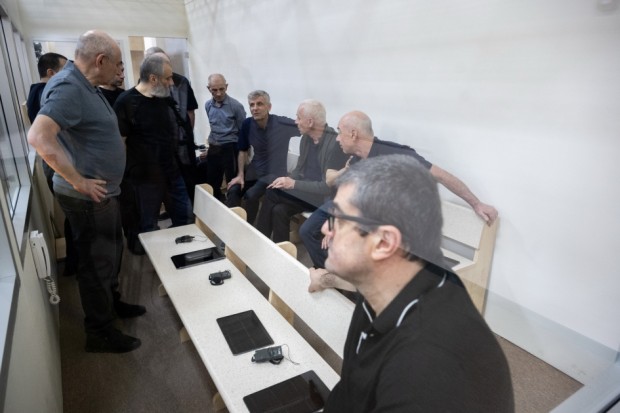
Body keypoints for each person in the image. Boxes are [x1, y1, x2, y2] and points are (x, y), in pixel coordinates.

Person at [321, 154, 514, 412]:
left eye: (338, 219)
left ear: (384, 242)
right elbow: (351, 389)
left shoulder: (427, 370)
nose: (325, 229)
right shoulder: (383, 286)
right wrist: (325, 278)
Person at [27, 30, 144, 353]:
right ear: (100, 60)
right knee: (96, 265)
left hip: (104, 194)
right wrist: (78, 180)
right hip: (87, 197)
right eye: (117, 64)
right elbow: (38, 137)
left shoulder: (86, 85)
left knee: (111, 254)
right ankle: (99, 331)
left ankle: (112, 304)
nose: (119, 71)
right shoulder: (68, 87)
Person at [305, 110, 499, 281]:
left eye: (340, 132)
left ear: (354, 134)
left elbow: (440, 175)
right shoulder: (356, 160)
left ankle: (343, 283)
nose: (337, 138)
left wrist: (476, 204)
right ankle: (336, 279)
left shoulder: (395, 154)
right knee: (311, 231)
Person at [113, 53, 193, 254]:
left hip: (171, 171)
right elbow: (120, 143)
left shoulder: (163, 98)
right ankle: (156, 263)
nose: (171, 82)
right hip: (145, 178)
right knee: (148, 226)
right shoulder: (126, 102)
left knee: (185, 217)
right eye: (168, 78)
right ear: (153, 78)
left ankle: (185, 256)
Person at [255, 99, 348, 242]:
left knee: (271, 192)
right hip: (304, 192)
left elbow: (326, 187)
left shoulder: (334, 145)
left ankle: (258, 241)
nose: (295, 122)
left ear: (310, 122)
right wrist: (287, 180)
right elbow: (298, 169)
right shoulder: (306, 138)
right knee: (279, 210)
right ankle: (281, 251)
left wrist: (292, 184)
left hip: (320, 198)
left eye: (298, 118)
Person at [26, 52, 77, 277]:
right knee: (74, 214)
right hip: (57, 163)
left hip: (54, 162)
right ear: (50, 72)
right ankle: (75, 262)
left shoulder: (36, 93)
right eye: (64, 69)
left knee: (73, 215)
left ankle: (75, 261)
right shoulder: (45, 94)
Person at [225, 90, 298, 225]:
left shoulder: (282, 123)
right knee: (233, 190)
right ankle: (231, 226)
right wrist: (240, 175)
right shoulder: (247, 124)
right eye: (252, 105)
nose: (255, 108)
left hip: (274, 175)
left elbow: (304, 127)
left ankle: (248, 229)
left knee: (251, 195)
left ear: (269, 107)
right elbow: (242, 150)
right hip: (254, 172)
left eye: (259, 104)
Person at [145, 47, 200, 202]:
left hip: (183, 144)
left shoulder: (182, 81)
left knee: (189, 182)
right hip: (162, 147)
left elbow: (190, 112)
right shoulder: (145, 86)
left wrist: (186, 134)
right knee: (168, 185)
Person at [201, 73, 246, 202]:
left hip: (230, 147)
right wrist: (209, 149)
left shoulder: (236, 106)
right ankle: (216, 205)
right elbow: (213, 127)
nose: (219, 93)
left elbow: (243, 131)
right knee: (212, 181)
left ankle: (233, 208)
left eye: (222, 89)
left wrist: (243, 153)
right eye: (214, 90)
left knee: (232, 183)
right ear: (208, 89)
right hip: (214, 147)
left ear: (226, 87)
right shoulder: (208, 105)